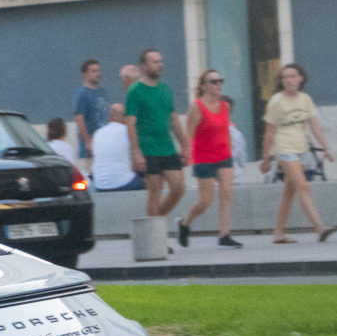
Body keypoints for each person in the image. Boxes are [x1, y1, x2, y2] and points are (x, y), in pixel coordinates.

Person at [259, 62, 334, 243]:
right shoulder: (276, 101)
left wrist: (326, 147)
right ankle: (319, 227)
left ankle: (278, 233)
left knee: (289, 191)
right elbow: (269, 131)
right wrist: (266, 156)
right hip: (284, 147)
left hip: (301, 147)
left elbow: (315, 126)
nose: (289, 80)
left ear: (300, 79)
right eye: (285, 77)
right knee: (303, 185)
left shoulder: (305, 99)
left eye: (293, 76)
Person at [177, 70, 241, 248]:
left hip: (223, 155)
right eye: (213, 82)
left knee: (227, 192)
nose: (218, 84)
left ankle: (224, 235)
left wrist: (230, 152)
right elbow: (189, 134)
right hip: (203, 157)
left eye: (220, 81)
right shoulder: (196, 107)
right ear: (203, 85)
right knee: (206, 201)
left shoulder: (224, 106)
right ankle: (185, 223)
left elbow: (225, 131)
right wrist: (186, 155)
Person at [124, 48, 184, 218]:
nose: (160, 65)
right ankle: (154, 237)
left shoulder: (165, 89)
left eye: (161, 61)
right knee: (155, 191)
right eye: (155, 62)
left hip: (167, 147)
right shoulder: (135, 90)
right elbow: (130, 123)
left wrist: (185, 145)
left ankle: (155, 223)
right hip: (147, 149)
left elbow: (174, 120)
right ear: (143, 66)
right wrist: (136, 153)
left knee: (179, 188)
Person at [68, 59, 110, 159]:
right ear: (85, 74)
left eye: (98, 71)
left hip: (105, 144)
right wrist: (88, 141)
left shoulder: (103, 92)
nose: (98, 74)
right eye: (94, 71)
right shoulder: (82, 94)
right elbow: (79, 118)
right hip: (91, 149)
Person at [88, 118, 139, 189]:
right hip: (124, 183)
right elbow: (138, 163)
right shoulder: (128, 132)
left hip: (99, 185)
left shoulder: (97, 133)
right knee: (150, 182)